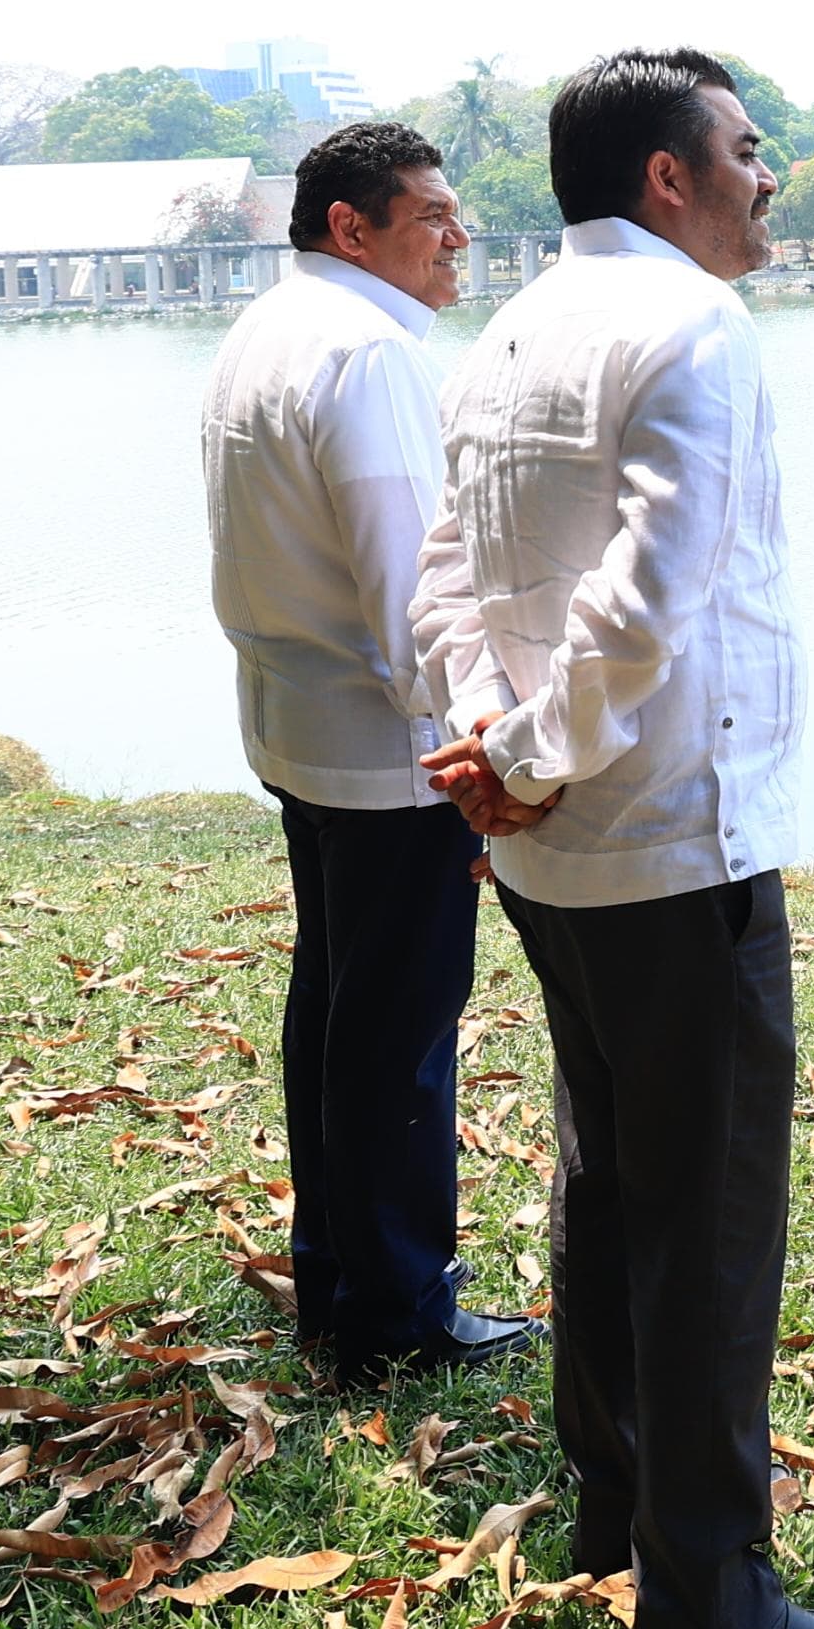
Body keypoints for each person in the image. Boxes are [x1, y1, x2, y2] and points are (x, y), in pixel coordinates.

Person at [409, 49, 814, 1629]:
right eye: (748, 150)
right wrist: (534, 747)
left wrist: (489, 738)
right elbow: (649, 596)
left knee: (609, 1177)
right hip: (673, 834)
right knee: (704, 1224)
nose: (771, 176)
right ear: (668, 177)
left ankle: (616, 1510)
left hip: (553, 845)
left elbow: (445, 575)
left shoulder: (510, 329)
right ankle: (712, 1611)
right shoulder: (694, 327)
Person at [196, 120, 535, 1387]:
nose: (460, 238)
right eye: (431, 215)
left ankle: (339, 1273)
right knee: (395, 1033)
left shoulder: (265, 332)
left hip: (301, 730)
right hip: (394, 758)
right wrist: (480, 748)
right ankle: (395, 1305)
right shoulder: (370, 353)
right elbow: (412, 586)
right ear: (351, 225)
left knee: (337, 1018)